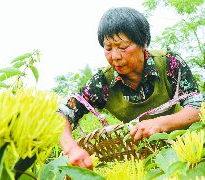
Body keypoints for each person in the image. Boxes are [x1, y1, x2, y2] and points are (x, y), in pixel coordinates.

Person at [57, 7, 204, 170]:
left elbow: (197, 108)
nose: (115, 56)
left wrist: (160, 123)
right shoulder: (102, 82)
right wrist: (71, 148)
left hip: (185, 152)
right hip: (141, 157)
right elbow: (61, 115)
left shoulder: (169, 63)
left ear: (143, 43)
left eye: (123, 47)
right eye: (108, 48)